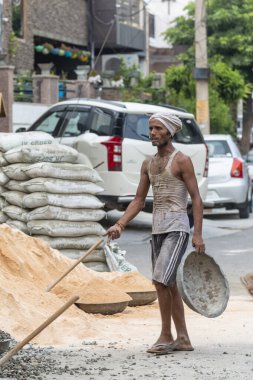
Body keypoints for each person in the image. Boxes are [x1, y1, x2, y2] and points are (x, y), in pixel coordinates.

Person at [105, 112, 205, 355]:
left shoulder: (182, 160)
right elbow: (138, 201)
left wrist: (198, 235)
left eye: (158, 128)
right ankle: (183, 339)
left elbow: (196, 198)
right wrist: (120, 224)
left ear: (170, 132)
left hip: (178, 227)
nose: (153, 133)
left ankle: (165, 335)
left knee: (160, 280)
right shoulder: (148, 163)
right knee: (168, 284)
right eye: (150, 129)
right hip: (157, 230)